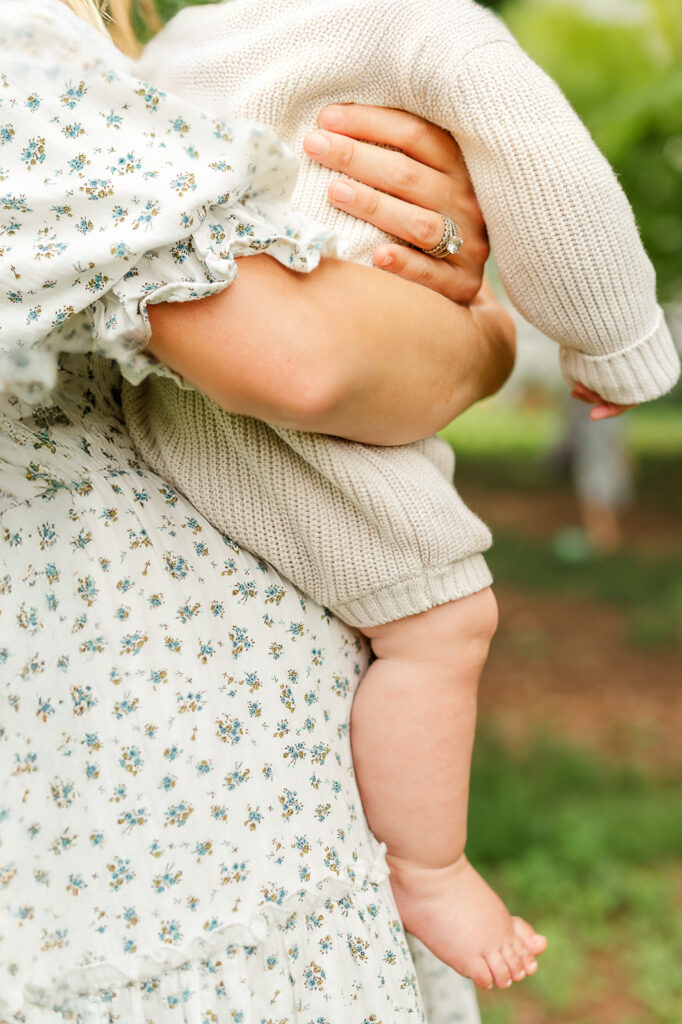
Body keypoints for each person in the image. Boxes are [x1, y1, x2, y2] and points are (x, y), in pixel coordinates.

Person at [125, 0, 682, 991]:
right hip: (291, 420)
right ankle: (428, 865)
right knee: (445, 620)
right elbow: (550, 177)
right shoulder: (420, 26)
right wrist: (613, 341)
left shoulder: (177, 41)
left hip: (166, 397)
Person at [0, 0, 516, 1020]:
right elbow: (308, 357)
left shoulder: (141, 70)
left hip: (232, 830)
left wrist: (419, 272)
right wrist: (480, 333)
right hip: (155, 860)